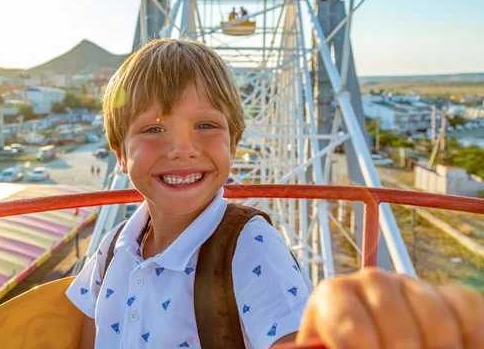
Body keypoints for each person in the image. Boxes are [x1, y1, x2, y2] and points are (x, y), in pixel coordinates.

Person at [66, 39, 484, 348]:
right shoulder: (113, 246)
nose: (183, 149)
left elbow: (291, 338)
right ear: (120, 155)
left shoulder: (249, 246)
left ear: (234, 143)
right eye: (154, 129)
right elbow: (92, 332)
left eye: (206, 126)